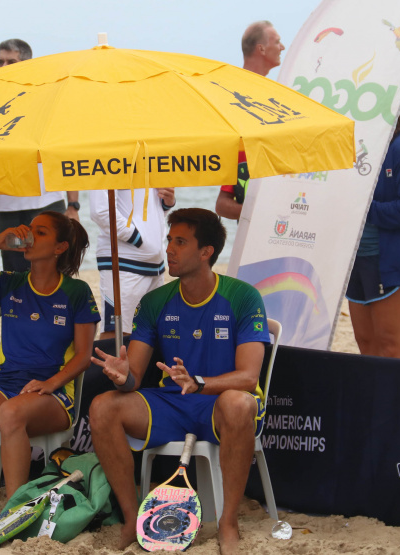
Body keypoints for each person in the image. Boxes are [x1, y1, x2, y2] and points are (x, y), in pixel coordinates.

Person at [89, 208, 270, 554]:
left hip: (219, 404)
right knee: (103, 407)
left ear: (206, 252)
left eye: (181, 242)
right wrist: (123, 376)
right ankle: (131, 518)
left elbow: (248, 378)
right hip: (172, 403)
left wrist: (200, 382)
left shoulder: (243, 297)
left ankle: (228, 522)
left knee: (237, 402)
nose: (169, 249)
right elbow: (135, 378)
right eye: (169, 240)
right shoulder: (156, 301)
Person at [0, 211, 99, 540]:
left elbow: (85, 355)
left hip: (54, 396)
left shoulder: (77, 292)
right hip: (6, 385)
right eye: (29, 231)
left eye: (39, 233)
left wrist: (51, 383)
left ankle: (15, 514)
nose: (28, 237)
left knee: (11, 412)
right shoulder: (10, 281)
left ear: (59, 248)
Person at [0, 38, 81, 272]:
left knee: (52, 271)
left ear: (27, 64)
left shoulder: (46, 100)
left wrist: (73, 205)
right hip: (8, 207)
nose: (4, 67)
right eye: (0, 61)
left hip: (46, 203)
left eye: (11, 61)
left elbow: (65, 152)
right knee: (15, 275)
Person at [346, 111, 400, 358]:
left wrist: (364, 210)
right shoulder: (356, 148)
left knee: (391, 346)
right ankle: (375, 398)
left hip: (389, 260)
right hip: (354, 261)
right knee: (366, 344)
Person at [215, 21, 285, 222]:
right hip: (253, 210)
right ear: (261, 48)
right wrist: (264, 214)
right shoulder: (235, 94)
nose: (282, 47)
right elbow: (222, 204)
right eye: (278, 42)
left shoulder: (275, 94)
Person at [89, 187, 175, 339]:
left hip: (155, 264)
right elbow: (100, 211)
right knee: (117, 333)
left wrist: (167, 203)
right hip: (123, 261)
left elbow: (149, 210)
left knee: (149, 333)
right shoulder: (109, 161)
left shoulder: (150, 163)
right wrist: (136, 238)